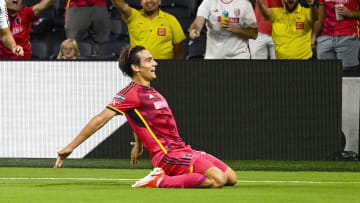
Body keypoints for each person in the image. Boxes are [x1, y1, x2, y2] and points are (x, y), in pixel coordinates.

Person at [54, 46, 238, 188]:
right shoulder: (129, 93)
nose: (154, 63)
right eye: (149, 60)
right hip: (168, 155)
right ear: (135, 67)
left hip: (182, 149)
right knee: (217, 180)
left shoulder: (151, 91)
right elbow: (100, 120)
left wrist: (139, 145)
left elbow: (139, 119)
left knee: (231, 178)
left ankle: (166, 176)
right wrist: (70, 147)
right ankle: (158, 180)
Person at [110, 0, 185, 59]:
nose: (149, 1)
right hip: (139, 66)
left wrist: (174, 64)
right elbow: (118, 3)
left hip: (164, 66)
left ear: (159, 1)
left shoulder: (171, 19)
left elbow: (179, 46)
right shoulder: (133, 16)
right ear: (141, 2)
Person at [188, 0, 258, 59]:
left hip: (239, 57)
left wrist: (237, 30)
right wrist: (194, 30)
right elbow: (198, 22)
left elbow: (254, 34)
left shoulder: (244, 4)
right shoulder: (208, 2)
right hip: (213, 58)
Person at [311, 0, 360, 70]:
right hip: (325, 38)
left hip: (347, 36)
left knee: (347, 76)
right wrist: (314, 35)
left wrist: (350, 13)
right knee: (326, 74)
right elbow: (320, 18)